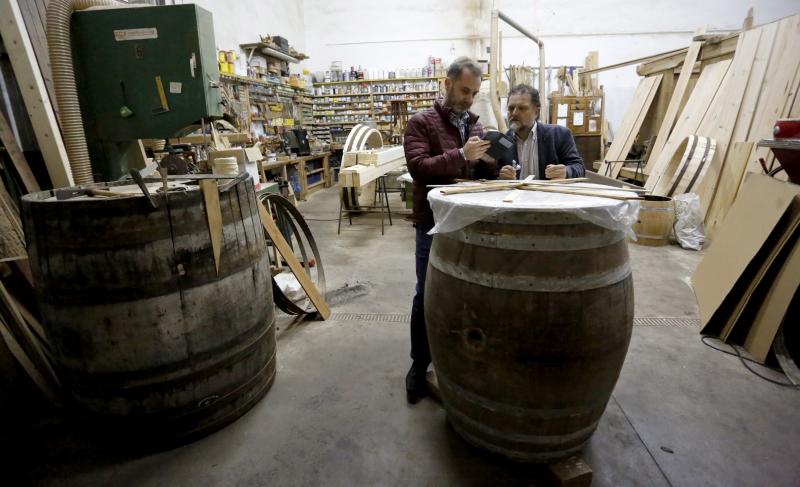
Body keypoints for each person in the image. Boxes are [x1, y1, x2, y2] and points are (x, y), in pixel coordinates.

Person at [402, 57, 497, 404]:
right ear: (447, 83)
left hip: (467, 221)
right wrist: (461, 153)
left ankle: (458, 362)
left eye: (474, 93)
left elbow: (475, 176)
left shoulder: (475, 125)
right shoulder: (421, 123)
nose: (469, 99)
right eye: (464, 90)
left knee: (465, 294)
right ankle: (418, 365)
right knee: (426, 293)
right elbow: (419, 169)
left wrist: (492, 167)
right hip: (433, 222)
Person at [496, 84, 585, 181]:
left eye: (522, 108)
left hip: (549, 195)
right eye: (511, 108)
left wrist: (566, 171)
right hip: (514, 195)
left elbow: (579, 168)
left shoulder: (559, 135)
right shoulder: (502, 141)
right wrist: (500, 175)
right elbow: (491, 173)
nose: (514, 113)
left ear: (536, 112)